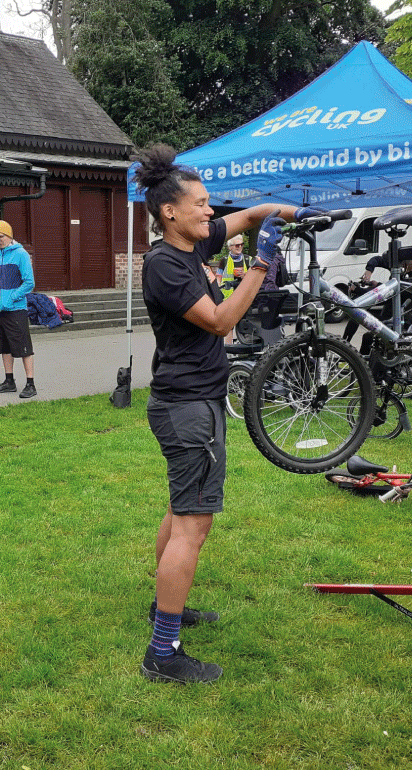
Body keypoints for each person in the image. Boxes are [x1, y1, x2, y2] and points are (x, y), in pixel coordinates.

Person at [135, 144, 323, 684]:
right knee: (194, 522)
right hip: (186, 406)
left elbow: (246, 215)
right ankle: (163, 652)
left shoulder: (192, 243)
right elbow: (219, 320)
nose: (210, 212)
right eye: (200, 204)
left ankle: (162, 608)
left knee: (181, 510)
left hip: (197, 400)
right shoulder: (166, 264)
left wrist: (294, 214)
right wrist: (261, 264)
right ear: (170, 212)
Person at [0, 219, 37, 398]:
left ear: (9, 236)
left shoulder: (21, 254)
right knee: (4, 347)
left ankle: (30, 383)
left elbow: (29, 282)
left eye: (0, 237)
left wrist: (12, 297)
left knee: (23, 346)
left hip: (16, 309)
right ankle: (9, 381)